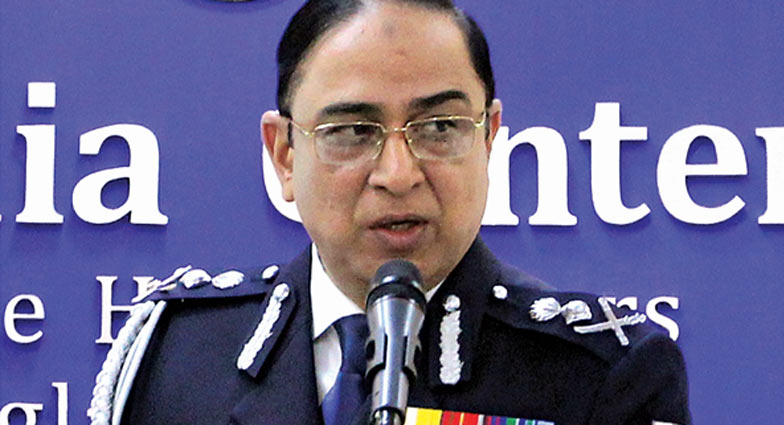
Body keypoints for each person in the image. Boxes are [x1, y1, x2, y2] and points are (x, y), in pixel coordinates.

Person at [88, 1, 691, 424]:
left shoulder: (602, 376)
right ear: (284, 154)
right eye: (353, 131)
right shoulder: (176, 357)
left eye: (440, 127)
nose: (399, 174)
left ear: (489, 138)